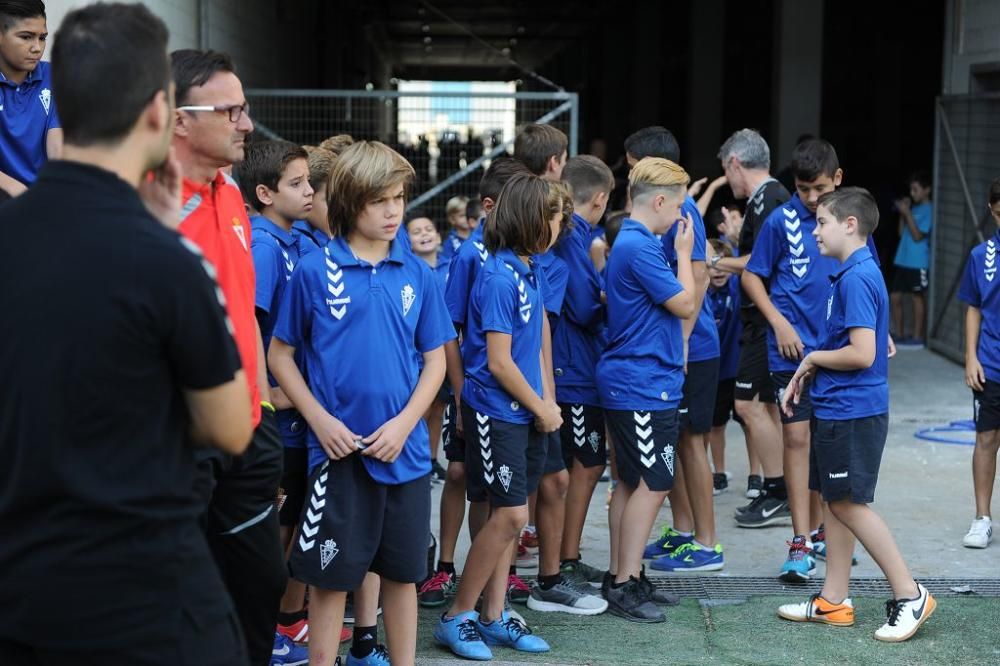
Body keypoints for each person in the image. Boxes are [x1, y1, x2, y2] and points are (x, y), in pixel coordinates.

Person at [0, 4, 253, 664]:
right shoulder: (167, 261)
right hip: (145, 602)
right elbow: (229, 426)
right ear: (155, 113)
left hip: (22, 595)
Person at [270, 140, 455, 666]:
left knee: (402, 578)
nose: (394, 210)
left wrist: (404, 425)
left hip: (407, 456)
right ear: (352, 201)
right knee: (330, 584)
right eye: (381, 200)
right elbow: (280, 355)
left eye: (399, 197)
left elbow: (436, 362)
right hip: (338, 457)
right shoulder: (314, 270)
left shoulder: (418, 273)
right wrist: (319, 419)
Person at [171, 48, 291, 666]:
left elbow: (242, 310)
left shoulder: (229, 192)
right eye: (232, 111)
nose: (247, 124)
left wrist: (262, 403)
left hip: (249, 427)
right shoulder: (141, 202)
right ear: (177, 119)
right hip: (176, 439)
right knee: (179, 596)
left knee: (259, 585)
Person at [777, 187, 936, 643]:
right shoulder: (852, 272)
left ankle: (910, 594)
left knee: (848, 504)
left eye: (822, 221)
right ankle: (833, 600)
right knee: (833, 501)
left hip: (853, 410)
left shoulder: (856, 277)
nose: (814, 230)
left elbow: (863, 353)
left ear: (850, 225)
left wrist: (811, 360)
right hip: (838, 407)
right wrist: (814, 366)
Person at [434, 174, 565, 659]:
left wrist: (547, 401)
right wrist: (539, 405)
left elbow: (538, 344)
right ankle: (456, 616)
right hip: (499, 412)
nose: (559, 227)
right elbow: (499, 361)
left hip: (527, 414)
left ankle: (493, 615)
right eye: (554, 219)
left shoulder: (526, 268)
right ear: (532, 220)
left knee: (513, 517)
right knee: (508, 513)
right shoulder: (495, 274)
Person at [418, 157, 532, 611]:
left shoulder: (523, 255)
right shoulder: (471, 254)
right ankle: (445, 568)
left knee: (491, 488)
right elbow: (451, 331)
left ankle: (487, 574)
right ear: (490, 206)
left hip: (502, 398)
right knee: (461, 474)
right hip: (471, 388)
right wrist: (460, 395)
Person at [623, 126, 722, 575]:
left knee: (692, 441)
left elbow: (697, 278)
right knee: (675, 441)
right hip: (670, 347)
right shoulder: (644, 225)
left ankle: (707, 543)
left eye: (631, 167)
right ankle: (682, 531)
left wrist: (682, 341)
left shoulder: (685, 217)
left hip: (692, 347)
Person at [601, 157, 695, 623]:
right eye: (678, 205)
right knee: (654, 482)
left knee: (631, 481)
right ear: (659, 201)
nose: (682, 216)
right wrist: (684, 253)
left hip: (638, 379)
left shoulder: (634, 241)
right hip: (640, 382)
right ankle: (623, 582)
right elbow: (685, 302)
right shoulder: (641, 246)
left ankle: (626, 573)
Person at [713, 129, 789, 505]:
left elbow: (762, 262)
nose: (728, 181)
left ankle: (777, 490)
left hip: (765, 320)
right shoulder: (765, 201)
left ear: (734, 163)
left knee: (746, 406)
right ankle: (781, 488)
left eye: (726, 172)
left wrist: (714, 261)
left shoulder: (770, 198)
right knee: (768, 407)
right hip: (760, 320)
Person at [551, 155, 614, 586]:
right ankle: (562, 561)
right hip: (572, 370)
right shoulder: (573, 235)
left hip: (573, 365)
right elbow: (583, 305)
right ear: (601, 199)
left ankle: (564, 557)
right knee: (585, 464)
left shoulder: (574, 233)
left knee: (581, 464)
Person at [957, 176, 1000, 549]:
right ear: (992, 210)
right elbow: (973, 307)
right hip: (991, 363)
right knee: (986, 439)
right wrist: (971, 356)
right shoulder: (981, 256)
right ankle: (982, 518)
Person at [705, 239, 753, 494]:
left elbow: (747, 265)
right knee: (715, 425)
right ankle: (719, 473)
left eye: (723, 264)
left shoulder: (737, 287)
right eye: (713, 265)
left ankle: (756, 477)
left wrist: (736, 238)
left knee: (750, 423)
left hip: (740, 369)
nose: (719, 270)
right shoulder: (701, 294)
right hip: (715, 373)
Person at [0, 0, 61, 196]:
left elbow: (57, 148)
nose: (37, 48)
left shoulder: (55, 75)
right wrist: (18, 191)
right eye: (26, 37)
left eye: (42, 38)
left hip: (43, 196)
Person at [408, 207, 450, 482]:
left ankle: (433, 459)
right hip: (421, 353)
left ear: (438, 235)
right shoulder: (409, 270)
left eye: (428, 229)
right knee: (421, 407)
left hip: (449, 352)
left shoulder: (451, 265)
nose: (424, 235)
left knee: (439, 409)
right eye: (416, 231)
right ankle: (417, 459)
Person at [890, 171, 933, 346]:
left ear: (927, 190)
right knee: (895, 296)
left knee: (917, 297)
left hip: (918, 262)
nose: (912, 193)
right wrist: (903, 213)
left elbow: (917, 236)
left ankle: (917, 337)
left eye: (915, 189)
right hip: (903, 259)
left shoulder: (929, 210)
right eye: (911, 189)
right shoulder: (913, 209)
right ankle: (899, 334)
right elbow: (901, 233)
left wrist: (907, 213)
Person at [294, 144, 336, 256]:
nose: (339, 209)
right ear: (308, 195)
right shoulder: (302, 246)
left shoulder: (320, 234)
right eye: (330, 200)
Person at [439, 194, 471, 264]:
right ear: (452, 219)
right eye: (462, 215)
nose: (467, 218)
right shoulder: (449, 242)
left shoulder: (480, 235)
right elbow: (448, 265)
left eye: (469, 214)